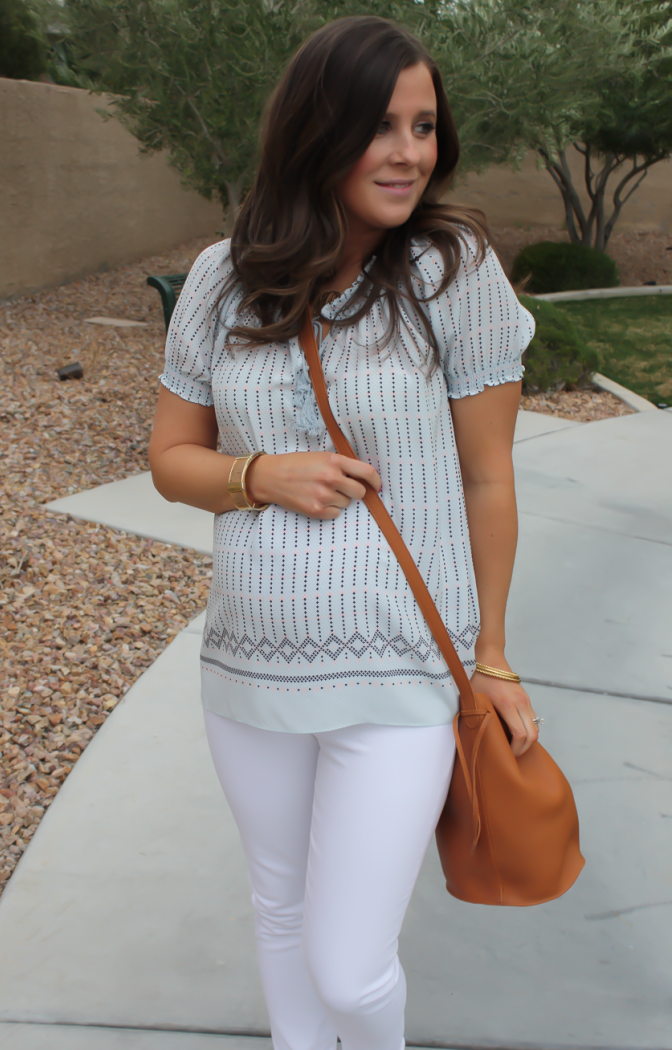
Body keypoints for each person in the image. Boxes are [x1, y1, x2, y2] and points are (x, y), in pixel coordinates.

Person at [149, 15, 538, 1050]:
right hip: (248, 665)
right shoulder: (222, 280)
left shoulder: (452, 274)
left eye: (425, 126)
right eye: (384, 126)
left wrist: (491, 656)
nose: (412, 152)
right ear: (318, 129)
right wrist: (259, 474)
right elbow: (170, 460)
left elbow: (489, 479)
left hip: (403, 673)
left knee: (350, 965)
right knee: (280, 912)